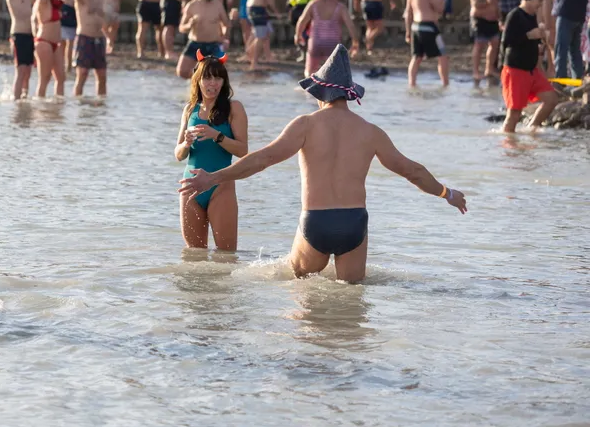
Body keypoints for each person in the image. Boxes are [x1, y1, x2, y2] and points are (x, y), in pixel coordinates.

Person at [179, 44, 468, 283]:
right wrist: (447, 194)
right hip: (354, 223)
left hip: (315, 222)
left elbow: (262, 159)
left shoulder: (305, 125)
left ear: (319, 93)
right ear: (348, 92)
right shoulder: (371, 132)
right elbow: (412, 171)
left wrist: (213, 177)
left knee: (300, 292)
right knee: (350, 303)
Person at [174, 53, 248, 251]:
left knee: (226, 256)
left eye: (218, 78)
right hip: (190, 188)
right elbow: (178, 154)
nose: (212, 83)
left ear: (224, 82)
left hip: (220, 187)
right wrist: (186, 144)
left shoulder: (234, 108)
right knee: (194, 257)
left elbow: (243, 150)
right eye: (207, 77)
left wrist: (217, 136)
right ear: (197, 80)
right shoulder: (190, 109)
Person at [501, 0, 561, 133]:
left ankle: (531, 129)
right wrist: (528, 35)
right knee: (514, 113)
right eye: (539, 1)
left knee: (552, 99)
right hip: (515, 70)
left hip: (532, 71)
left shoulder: (531, 16)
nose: (540, 5)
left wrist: (543, 64)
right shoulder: (515, 15)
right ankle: (509, 148)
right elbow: (506, 42)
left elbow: (533, 42)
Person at [295, 0, 358, 77]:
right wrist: (355, 41)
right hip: (332, 44)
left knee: (310, 69)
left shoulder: (314, 4)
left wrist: (298, 35)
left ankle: (309, 86)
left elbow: (302, 20)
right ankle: (330, 89)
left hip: (315, 42)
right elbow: (350, 25)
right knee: (334, 71)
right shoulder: (340, 7)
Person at [404, 0, 449, 88]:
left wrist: (407, 31)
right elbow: (440, 8)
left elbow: (408, 12)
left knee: (417, 57)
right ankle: (445, 84)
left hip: (415, 26)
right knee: (443, 55)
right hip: (428, 26)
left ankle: (411, 84)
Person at [177, 0, 230, 79]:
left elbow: (226, 24)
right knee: (182, 72)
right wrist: (190, 24)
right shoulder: (192, 5)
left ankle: (204, 82)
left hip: (213, 44)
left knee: (217, 74)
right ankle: (198, 80)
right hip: (195, 43)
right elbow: (181, 28)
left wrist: (224, 39)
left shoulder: (218, 4)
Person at [71, 0, 108, 96]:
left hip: (99, 39)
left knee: (102, 76)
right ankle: (78, 103)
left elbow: (105, 20)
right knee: (82, 74)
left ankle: (101, 105)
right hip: (85, 38)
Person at [33, 0, 69, 97]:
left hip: (56, 43)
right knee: (45, 78)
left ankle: (57, 109)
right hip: (44, 42)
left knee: (61, 78)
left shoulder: (55, 1)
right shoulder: (43, 1)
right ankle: (40, 108)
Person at [5, 0, 37, 100]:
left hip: (30, 35)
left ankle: (24, 97)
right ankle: (16, 100)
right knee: (21, 70)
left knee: (28, 71)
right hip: (18, 35)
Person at [468, 0, 501, 88]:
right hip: (480, 20)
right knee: (479, 45)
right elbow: (477, 5)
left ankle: (489, 68)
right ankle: (476, 71)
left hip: (493, 21)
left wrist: (499, 18)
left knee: (495, 43)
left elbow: (497, 5)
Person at [246, 0, 282, 71]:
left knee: (266, 33)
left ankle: (249, 53)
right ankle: (254, 64)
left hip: (252, 7)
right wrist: (276, 12)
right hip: (257, 9)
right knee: (261, 36)